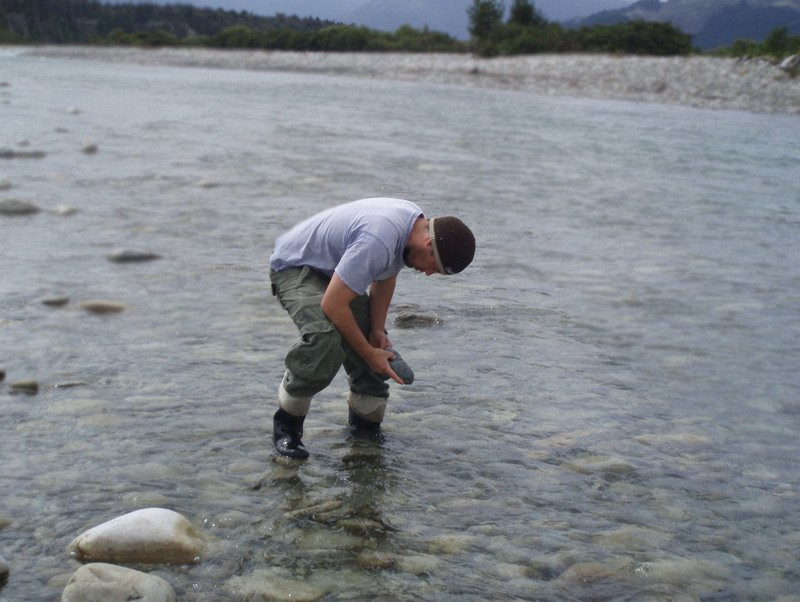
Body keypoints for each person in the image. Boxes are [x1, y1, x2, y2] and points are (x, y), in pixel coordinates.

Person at [268, 197, 476, 459]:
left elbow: (386, 274)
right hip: (297, 266)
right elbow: (333, 304)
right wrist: (367, 352)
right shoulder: (379, 237)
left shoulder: (413, 224)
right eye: (434, 268)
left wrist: (377, 330)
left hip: (333, 271)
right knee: (325, 340)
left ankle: (364, 437)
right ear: (428, 245)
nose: (429, 274)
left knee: (378, 347)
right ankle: (287, 427)